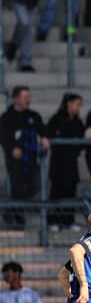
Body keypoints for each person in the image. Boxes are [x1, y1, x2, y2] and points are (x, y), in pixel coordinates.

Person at [1, 86, 47, 228]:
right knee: (18, 188)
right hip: (15, 162)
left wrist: (44, 138)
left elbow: (42, 130)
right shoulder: (7, 117)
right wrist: (12, 148)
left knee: (36, 184)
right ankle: (18, 219)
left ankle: (10, 210)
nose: (28, 100)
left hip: (32, 159)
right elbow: (3, 136)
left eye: (29, 97)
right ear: (16, 99)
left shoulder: (34, 116)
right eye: (24, 97)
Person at [44, 92, 85, 231]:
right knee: (56, 193)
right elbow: (48, 134)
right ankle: (52, 221)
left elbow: (82, 142)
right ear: (69, 103)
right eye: (76, 104)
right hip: (58, 163)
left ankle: (68, 220)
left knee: (70, 192)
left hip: (72, 164)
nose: (78, 108)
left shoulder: (78, 122)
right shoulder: (56, 119)